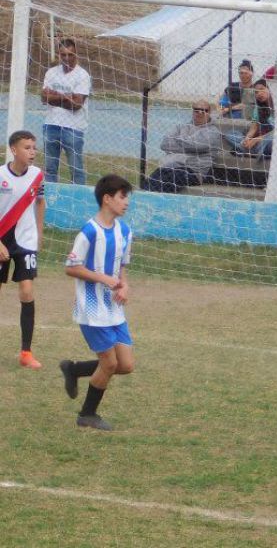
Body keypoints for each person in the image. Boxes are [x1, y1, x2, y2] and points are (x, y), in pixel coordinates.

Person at [59, 174, 134, 431]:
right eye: (122, 197)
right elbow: (71, 267)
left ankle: (75, 369)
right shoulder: (89, 232)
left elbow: (122, 266)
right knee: (110, 363)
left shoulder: (125, 231)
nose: (126, 203)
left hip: (114, 307)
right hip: (91, 309)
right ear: (107, 199)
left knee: (125, 365)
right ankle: (87, 414)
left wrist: (124, 285)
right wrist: (101, 277)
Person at [0, 130, 45, 370]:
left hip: (26, 241)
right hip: (1, 239)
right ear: (14, 150)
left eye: (34, 147)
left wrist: (40, 232)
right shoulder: (0, 175)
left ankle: (26, 352)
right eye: (27, 147)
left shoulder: (38, 175)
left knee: (27, 292)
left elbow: (40, 202)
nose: (32, 152)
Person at [41, 38, 91, 185]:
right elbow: (44, 97)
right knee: (50, 169)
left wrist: (55, 95)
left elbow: (76, 104)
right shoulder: (51, 73)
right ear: (58, 54)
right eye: (63, 55)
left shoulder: (83, 75)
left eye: (70, 55)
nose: (67, 58)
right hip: (51, 125)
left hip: (73, 128)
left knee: (76, 169)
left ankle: (79, 200)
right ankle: (50, 199)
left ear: (76, 54)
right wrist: (67, 97)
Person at [145, 100, 221, 193]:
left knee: (167, 182)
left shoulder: (213, 132)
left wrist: (178, 140)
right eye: (196, 110)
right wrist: (187, 143)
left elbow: (196, 146)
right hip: (171, 166)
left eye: (204, 110)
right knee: (151, 179)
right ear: (193, 111)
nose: (200, 113)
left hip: (193, 171)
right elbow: (164, 144)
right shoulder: (181, 126)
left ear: (209, 112)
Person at [235, 79, 275, 159]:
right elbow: (253, 128)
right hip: (260, 143)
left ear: (270, 89)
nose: (259, 93)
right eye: (256, 92)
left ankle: (249, 151)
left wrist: (256, 140)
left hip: (272, 141)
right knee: (231, 133)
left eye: (261, 89)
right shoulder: (258, 108)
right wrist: (247, 138)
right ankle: (253, 150)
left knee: (272, 142)